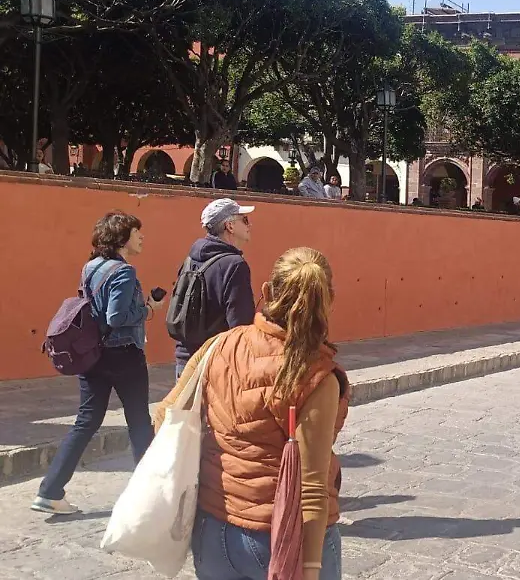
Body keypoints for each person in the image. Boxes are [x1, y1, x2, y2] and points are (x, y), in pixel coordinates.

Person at [158, 247, 349, 579]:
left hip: (213, 530)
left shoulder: (219, 346)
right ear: (329, 300)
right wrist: (311, 569)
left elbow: (165, 415)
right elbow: (311, 488)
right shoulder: (316, 375)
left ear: (266, 292)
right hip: (280, 537)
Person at [32, 211, 166, 514]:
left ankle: (50, 491)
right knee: (139, 423)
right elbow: (115, 317)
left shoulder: (90, 266)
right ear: (122, 238)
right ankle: (150, 495)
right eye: (137, 232)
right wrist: (148, 310)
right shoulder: (124, 271)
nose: (142, 237)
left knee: (86, 421)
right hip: (124, 355)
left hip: (93, 355)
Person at [172, 199, 257, 378]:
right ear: (230, 226)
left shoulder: (190, 259)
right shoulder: (234, 265)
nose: (249, 225)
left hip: (185, 359)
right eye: (245, 220)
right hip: (215, 364)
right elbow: (240, 326)